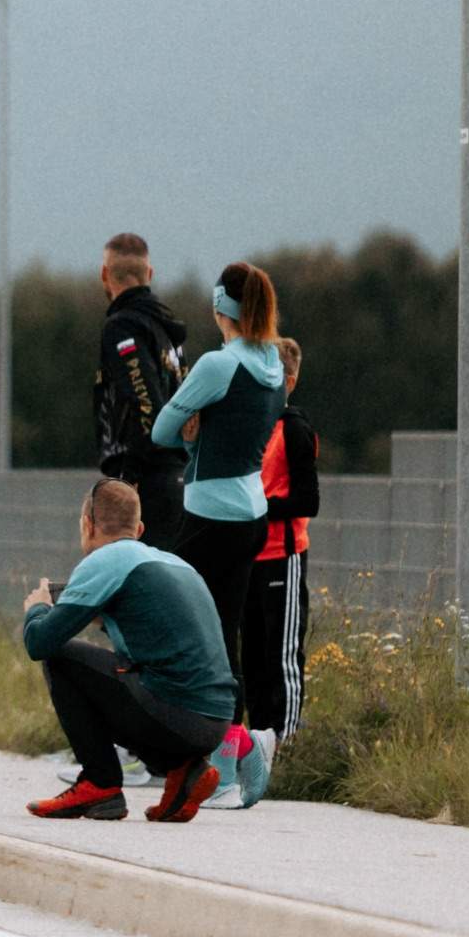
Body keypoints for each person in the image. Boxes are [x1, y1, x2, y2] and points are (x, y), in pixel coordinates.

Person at [20, 478, 240, 823]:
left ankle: (99, 784)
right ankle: (185, 772)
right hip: (216, 721)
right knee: (130, 675)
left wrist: (38, 608)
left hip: (174, 716)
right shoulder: (175, 564)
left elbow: (39, 642)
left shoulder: (104, 560)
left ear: (87, 524)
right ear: (139, 529)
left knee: (61, 659)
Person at [152, 260, 285, 692]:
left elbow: (161, 430)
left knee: (176, 618)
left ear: (218, 309)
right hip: (252, 512)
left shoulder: (217, 365)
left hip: (208, 510)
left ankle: (173, 728)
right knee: (227, 629)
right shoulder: (275, 364)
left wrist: (192, 441)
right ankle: (230, 741)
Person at [244, 334, 319, 751]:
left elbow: (309, 499)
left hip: (283, 554)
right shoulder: (254, 427)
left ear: (290, 381)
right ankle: (257, 744)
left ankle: (286, 743)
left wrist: (261, 506)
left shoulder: (294, 431)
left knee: (283, 653)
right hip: (249, 555)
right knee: (251, 654)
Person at [95, 232, 190, 549]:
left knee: (131, 583)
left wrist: (127, 478)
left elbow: (146, 404)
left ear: (105, 275)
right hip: (179, 476)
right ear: (149, 275)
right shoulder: (167, 331)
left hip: (146, 482)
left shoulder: (122, 327)